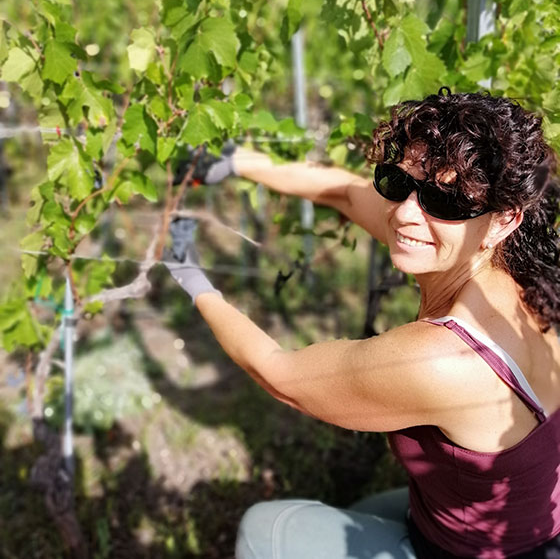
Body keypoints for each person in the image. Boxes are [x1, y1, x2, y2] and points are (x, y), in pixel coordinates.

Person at [168, 89, 560, 559]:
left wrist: (192, 280)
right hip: (519, 523)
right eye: (397, 182)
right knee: (363, 508)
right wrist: (237, 161)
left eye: (444, 199)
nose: (404, 211)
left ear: (503, 221)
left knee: (263, 528)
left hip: (480, 552)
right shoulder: (521, 272)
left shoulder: (444, 360)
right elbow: (347, 194)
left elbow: (280, 376)